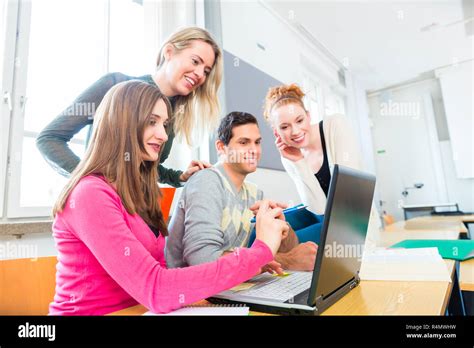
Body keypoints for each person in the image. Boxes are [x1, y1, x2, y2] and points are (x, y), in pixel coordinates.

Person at [49, 81, 288, 315]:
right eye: (152, 122)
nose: (163, 135)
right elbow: (156, 287)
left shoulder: (139, 192)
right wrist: (260, 250)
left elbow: (163, 276)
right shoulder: (89, 194)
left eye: (165, 124)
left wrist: (252, 262)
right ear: (122, 123)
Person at [37, 26, 222, 187]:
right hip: (101, 209)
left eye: (206, 71)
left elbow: (147, 169)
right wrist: (90, 182)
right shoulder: (115, 85)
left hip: (134, 211)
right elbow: (49, 138)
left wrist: (179, 177)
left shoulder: (171, 113)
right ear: (169, 52)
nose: (199, 74)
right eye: (195, 61)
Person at [166, 112, 318, 272]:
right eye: (244, 142)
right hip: (191, 290)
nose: (254, 150)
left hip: (230, 285)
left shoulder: (254, 193)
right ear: (221, 147)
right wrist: (287, 261)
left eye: (257, 142)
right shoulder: (207, 181)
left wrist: (281, 226)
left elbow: (289, 251)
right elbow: (202, 261)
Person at [263, 83, 380, 247]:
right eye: (285, 127)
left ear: (308, 116)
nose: (295, 131)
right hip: (324, 217)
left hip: (353, 222)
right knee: (271, 233)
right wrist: (298, 161)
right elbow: (317, 208)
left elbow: (348, 198)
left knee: (287, 242)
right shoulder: (289, 156)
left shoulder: (335, 125)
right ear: (277, 132)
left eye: (299, 120)